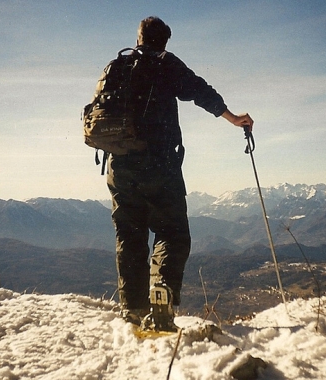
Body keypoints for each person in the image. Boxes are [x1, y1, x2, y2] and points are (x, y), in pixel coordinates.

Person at [107, 16, 253, 330]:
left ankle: (132, 309)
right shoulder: (168, 65)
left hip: (119, 166)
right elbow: (201, 91)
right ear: (165, 41)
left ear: (139, 37)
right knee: (172, 233)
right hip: (160, 165)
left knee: (129, 236)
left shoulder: (117, 66)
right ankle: (163, 295)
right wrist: (232, 118)